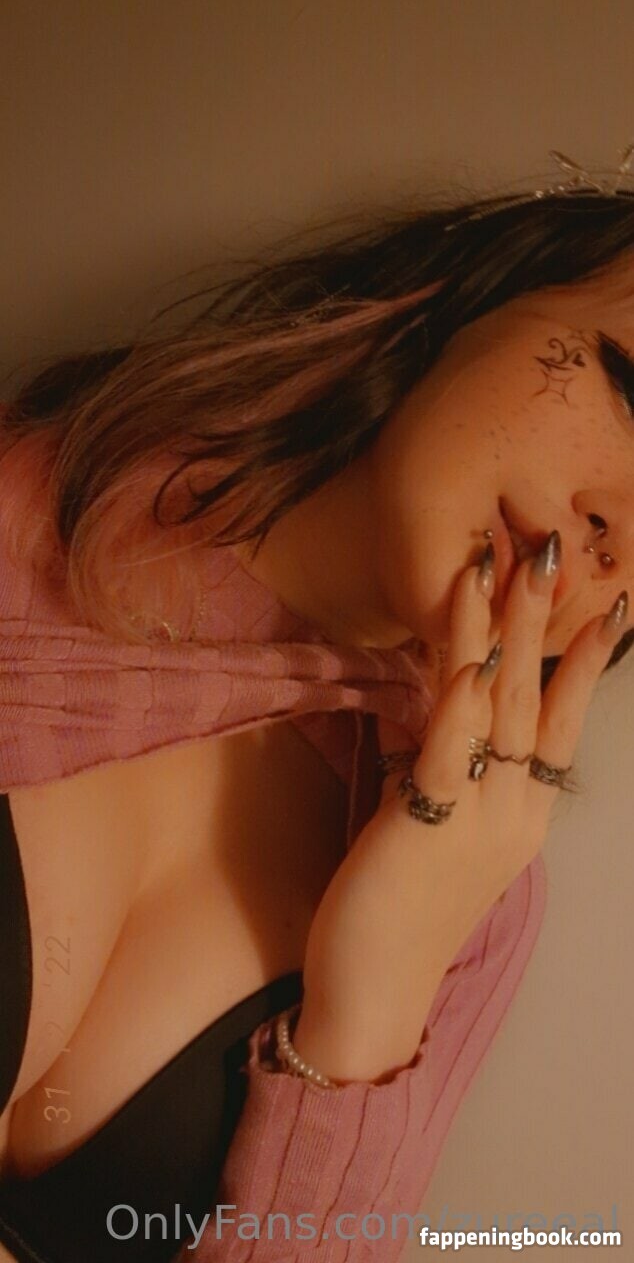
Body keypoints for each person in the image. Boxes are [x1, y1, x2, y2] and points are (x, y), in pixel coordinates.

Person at [0, 165, 634, 1262]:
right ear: (487, 288)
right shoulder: (26, 518)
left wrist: (369, 1013)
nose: (618, 527)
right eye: (631, 392)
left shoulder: (474, 889)